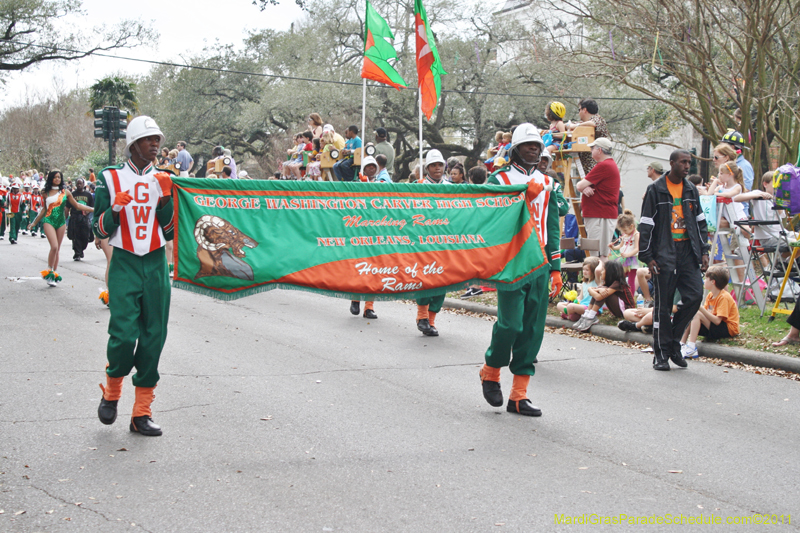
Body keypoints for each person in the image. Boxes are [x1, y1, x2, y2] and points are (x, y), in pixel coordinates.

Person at [93, 115, 175, 437]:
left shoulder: (166, 178)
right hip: (124, 262)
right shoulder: (109, 177)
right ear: (133, 144)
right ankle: (112, 391)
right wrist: (114, 209)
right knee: (124, 334)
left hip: (155, 263)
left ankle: (141, 412)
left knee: (154, 335)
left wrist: (165, 200)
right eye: (149, 139)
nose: (155, 144)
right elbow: (98, 229)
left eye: (158, 139)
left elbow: (171, 231)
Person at [479, 123, 561, 417]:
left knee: (532, 329)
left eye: (537, 145)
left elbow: (553, 224)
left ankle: (519, 395)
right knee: (510, 325)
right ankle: (491, 371)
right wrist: (522, 196)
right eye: (528, 145)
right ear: (515, 149)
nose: (534, 149)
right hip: (512, 260)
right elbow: (489, 216)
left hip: (540, 261)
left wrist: (556, 268)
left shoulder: (548, 182)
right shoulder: (499, 179)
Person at [638, 149, 709, 371]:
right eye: (683, 162)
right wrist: (648, 256)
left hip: (688, 252)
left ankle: (673, 343)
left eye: (689, 162)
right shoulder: (655, 189)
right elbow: (646, 224)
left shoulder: (691, 189)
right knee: (663, 306)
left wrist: (704, 251)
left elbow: (700, 222)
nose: (687, 166)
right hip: (664, 253)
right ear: (671, 163)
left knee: (695, 296)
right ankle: (660, 354)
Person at [27, 171, 94, 285]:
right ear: (51, 179)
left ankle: (54, 273)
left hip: (61, 222)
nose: (57, 179)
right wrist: (34, 223)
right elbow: (44, 209)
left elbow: (77, 205)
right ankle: (49, 270)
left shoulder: (66, 192)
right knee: (54, 246)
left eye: (59, 177)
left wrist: (94, 209)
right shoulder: (45, 192)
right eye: (55, 177)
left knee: (57, 249)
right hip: (49, 221)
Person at [413, 149, 450, 337]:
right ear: (427, 168)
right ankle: (422, 316)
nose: (437, 168)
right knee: (425, 278)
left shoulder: (451, 187)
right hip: (423, 241)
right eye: (433, 165)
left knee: (443, 280)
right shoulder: (417, 186)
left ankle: (432, 320)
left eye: (440, 165)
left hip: (446, 242)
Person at [680, 266, 739, 358]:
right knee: (692, 313)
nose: (704, 281)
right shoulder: (710, 295)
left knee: (696, 314)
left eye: (706, 279)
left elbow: (717, 321)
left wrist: (699, 308)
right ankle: (681, 344)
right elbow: (705, 315)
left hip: (727, 329)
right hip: (715, 326)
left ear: (713, 282)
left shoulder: (723, 297)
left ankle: (691, 347)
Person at [576, 137, 620, 261]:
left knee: (598, 254)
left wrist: (583, 187)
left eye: (592, 148)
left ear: (599, 150)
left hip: (600, 215)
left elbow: (579, 185)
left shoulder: (604, 165)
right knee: (598, 252)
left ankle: (599, 274)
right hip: (600, 214)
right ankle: (598, 273)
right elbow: (583, 186)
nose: (591, 151)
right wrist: (585, 188)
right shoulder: (607, 165)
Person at [572, 260, 636, 331]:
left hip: (626, 310)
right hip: (618, 310)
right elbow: (593, 293)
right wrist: (590, 289)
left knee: (603, 292)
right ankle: (587, 314)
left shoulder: (617, 283)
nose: (601, 273)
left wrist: (592, 290)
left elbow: (598, 297)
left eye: (603, 270)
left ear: (609, 273)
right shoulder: (608, 284)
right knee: (602, 290)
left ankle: (591, 316)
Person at [567, 98, 610, 174]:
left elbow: (594, 123)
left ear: (584, 110)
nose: (579, 113)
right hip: (587, 166)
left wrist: (575, 126)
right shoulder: (584, 123)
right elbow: (568, 125)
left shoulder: (599, 119)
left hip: (598, 164)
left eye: (579, 110)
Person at [559, 256, 601, 321]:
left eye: (587, 270)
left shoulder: (597, 281)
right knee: (559, 304)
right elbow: (580, 298)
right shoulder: (584, 283)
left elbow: (598, 271)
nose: (584, 272)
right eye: (583, 269)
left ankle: (568, 315)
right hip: (581, 305)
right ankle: (572, 315)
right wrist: (574, 301)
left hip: (590, 308)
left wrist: (600, 262)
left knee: (570, 306)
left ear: (593, 270)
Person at [608, 210, 639, 289]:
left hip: (632, 259)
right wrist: (613, 247)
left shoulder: (636, 234)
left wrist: (627, 255)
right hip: (624, 259)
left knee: (631, 280)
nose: (624, 232)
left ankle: (631, 295)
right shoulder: (625, 235)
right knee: (620, 277)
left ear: (631, 226)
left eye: (625, 230)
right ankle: (622, 293)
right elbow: (620, 245)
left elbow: (636, 249)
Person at [67, 177, 95, 261]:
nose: (79, 185)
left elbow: (92, 206)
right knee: (76, 236)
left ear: (83, 184)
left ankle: (81, 249)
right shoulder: (72, 194)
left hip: (84, 218)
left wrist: (87, 212)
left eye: (80, 183)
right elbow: (67, 206)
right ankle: (77, 253)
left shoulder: (88, 195)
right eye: (78, 183)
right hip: (75, 217)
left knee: (85, 236)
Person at [5, 178, 26, 244]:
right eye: (14, 188)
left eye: (16, 188)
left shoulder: (21, 196)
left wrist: (24, 213)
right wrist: (7, 210)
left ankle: (15, 237)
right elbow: (7, 203)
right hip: (11, 212)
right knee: (12, 225)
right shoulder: (9, 195)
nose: (15, 190)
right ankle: (12, 237)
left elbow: (23, 205)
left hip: (18, 212)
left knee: (17, 225)